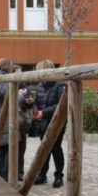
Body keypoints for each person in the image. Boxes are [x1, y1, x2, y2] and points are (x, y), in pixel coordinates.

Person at [0, 58, 29, 181]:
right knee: (8, 147)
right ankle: (4, 178)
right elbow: (6, 93)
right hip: (2, 116)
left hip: (1, 115)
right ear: (6, 67)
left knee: (3, 147)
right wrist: (18, 85)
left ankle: (2, 177)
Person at [32, 59, 66, 188]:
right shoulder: (41, 85)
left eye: (39, 70)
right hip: (43, 121)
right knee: (44, 147)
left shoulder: (60, 84)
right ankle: (42, 175)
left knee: (55, 148)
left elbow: (61, 104)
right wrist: (36, 111)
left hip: (57, 121)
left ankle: (59, 176)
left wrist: (43, 112)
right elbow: (36, 101)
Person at [14, 64, 35, 181]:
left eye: (21, 73)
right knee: (12, 147)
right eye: (17, 73)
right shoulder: (8, 85)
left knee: (22, 148)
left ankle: (20, 172)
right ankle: (11, 171)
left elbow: (30, 102)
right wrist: (18, 95)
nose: (20, 75)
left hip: (23, 122)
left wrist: (30, 101)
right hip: (11, 122)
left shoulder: (25, 88)